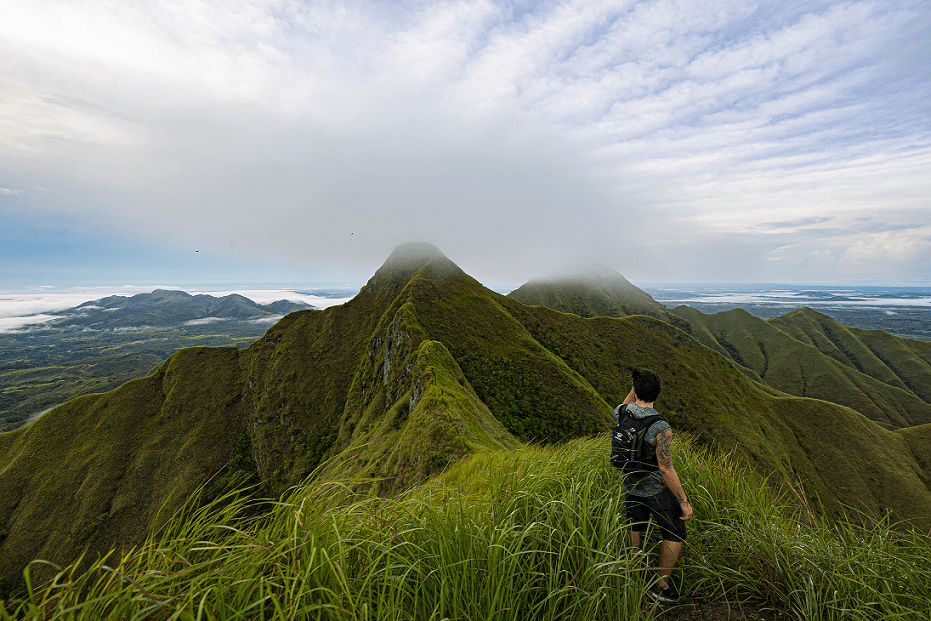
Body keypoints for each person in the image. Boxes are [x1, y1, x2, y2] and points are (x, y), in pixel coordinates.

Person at [616, 368, 693, 603]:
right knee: (675, 531)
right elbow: (666, 468)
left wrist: (635, 385)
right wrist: (684, 501)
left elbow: (625, 403)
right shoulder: (661, 427)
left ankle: (633, 574)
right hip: (654, 490)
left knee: (635, 526)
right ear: (657, 393)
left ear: (635, 390)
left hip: (629, 484)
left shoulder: (622, 414)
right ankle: (661, 586)